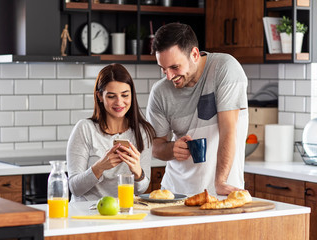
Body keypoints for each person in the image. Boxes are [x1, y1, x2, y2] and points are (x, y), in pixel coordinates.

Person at [146, 22, 248, 196]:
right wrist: (173, 148)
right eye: (163, 69)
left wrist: (221, 182)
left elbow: (228, 129)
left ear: (194, 54)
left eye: (174, 67)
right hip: (174, 194)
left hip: (221, 192)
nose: (169, 76)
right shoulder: (160, 91)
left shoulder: (225, 68)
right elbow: (155, 148)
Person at [67, 63, 155, 202]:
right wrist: (100, 167)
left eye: (125, 95)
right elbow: (74, 188)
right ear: (100, 96)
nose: (119, 102)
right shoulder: (85, 128)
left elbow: (141, 189)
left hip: (123, 212)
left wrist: (137, 171)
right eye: (111, 96)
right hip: (86, 214)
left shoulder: (142, 132)